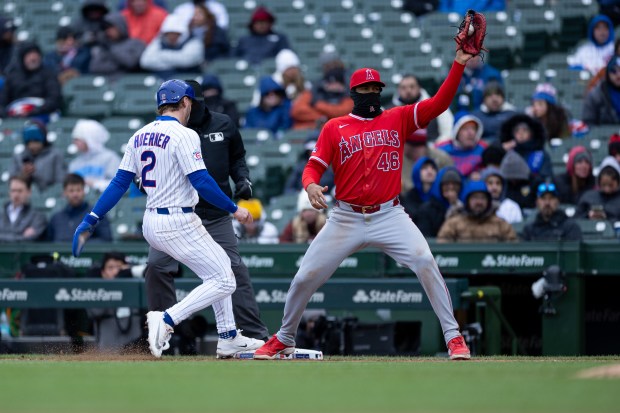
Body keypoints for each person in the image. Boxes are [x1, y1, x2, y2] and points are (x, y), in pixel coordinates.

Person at [253, 44, 478, 360]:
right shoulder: (335, 127)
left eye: (376, 87)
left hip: (389, 214)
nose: (371, 92)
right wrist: (311, 185)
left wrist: (457, 64)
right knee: (305, 275)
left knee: (425, 260)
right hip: (346, 217)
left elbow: (440, 102)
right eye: (365, 88)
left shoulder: (397, 118)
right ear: (354, 92)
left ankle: (454, 337)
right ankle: (285, 337)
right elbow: (313, 166)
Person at [72, 79, 264, 358]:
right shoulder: (185, 134)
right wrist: (234, 209)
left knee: (220, 269)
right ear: (185, 102)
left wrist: (90, 219)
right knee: (225, 280)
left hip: (152, 221)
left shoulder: (139, 135)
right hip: (177, 220)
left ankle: (228, 337)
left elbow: (118, 184)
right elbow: (202, 181)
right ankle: (166, 319)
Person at [144, 79, 269, 344]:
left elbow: (237, 157)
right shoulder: (169, 130)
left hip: (214, 213)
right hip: (177, 215)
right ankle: (166, 332)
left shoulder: (223, 124)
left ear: (195, 102)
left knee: (233, 270)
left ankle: (252, 335)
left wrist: (242, 179)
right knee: (156, 266)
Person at [87, 251, 144, 353]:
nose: (115, 272)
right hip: (107, 349)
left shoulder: (136, 289)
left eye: (119, 267)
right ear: (103, 273)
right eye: (110, 268)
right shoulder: (97, 292)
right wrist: (112, 290)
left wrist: (128, 278)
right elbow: (96, 312)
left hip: (135, 350)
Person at [437, 180, 517, 243]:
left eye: (482, 198)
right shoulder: (454, 223)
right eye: (475, 198)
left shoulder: (500, 223)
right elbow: (443, 243)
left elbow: (512, 245)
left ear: (488, 201)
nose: (479, 202)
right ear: (467, 201)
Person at [0, 42, 62, 121]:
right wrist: (7, 115)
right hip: (15, 114)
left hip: (41, 114)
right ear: (22, 58)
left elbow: (54, 99)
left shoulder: (48, 75)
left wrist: (32, 111)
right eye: (29, 55)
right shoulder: (12, 76)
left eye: (35, 55)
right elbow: (2, 102)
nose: (33, 58)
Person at [47, 173, 112, 242]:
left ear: (84, 191)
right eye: (71, 191)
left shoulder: (96, 215)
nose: (75, 194)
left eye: (78, 190)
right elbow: (49, 244)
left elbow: (106, 240)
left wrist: (81, 243)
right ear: (65, 193)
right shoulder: (56, 218)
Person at [389, 74, 453, 141]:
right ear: (398, 90)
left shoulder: (436, 105)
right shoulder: (389, 111)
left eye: (412, 86)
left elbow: (448, 132)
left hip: (432, 146)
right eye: (403, 87)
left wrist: (436, 145)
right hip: (400, 149)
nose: (408, 91)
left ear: (419, 87)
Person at [140, 14, 204, 79]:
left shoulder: (194, 42)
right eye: (169, 33)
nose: (172, 37)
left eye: (176, 33)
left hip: (187, 82)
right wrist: (176, 63)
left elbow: (187, 60)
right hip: (161, 84)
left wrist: (161, 56)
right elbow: (145, 61)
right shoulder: (159, 41)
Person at [10, 120, 66, 192]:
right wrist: (23, 176)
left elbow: (60, 181)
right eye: (29, 142)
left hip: (48, 194)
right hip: (23, 198)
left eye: (36, 141)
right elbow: (11, 183)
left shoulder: (55, 155)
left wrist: (36, 175)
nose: (33, 145)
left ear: (43, 140)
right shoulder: (19, 156)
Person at [68, 119, 121, 193]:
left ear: (90, 139)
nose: (74, 142)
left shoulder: (110, 158)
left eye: (78, 139)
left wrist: (95, 184)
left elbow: (119, 185)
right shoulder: (74, 163)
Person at [88, 12, 146, 77]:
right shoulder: (104, 46)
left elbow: (131, 63)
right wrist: (120, 67)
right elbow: (94, 68)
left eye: (111, 27)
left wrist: (111, 48)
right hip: (107, 84)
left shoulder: (136, 44)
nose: (108, 31)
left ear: (120, 25)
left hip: (129, 84)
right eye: (105, 28)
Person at [498, 113, 553, 179]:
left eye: (525, 130)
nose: (521, 133)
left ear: (531, 134)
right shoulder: (506, 151)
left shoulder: (541, 155)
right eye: (517, 130)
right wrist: (500, 149)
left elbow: (546, 176)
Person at [399, 128, 453, 194]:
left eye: (417, 145)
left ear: (424, 145)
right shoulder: (396, 161)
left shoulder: (442, 159)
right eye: (408, 143)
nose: (412, 149)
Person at [435, 113, 488, 180]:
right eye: (465, 129)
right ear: (456, 132)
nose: (470, 133)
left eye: (473, 128)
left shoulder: (484, 148)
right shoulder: (441, 149)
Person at [415, 165, 463, 237]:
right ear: (439, 186)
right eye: (446, 184)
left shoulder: (465, 207)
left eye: (455, 184)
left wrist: (455, 206)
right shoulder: (427, 209)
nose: (451, 187)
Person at [0, 175, 47, 242]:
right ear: (9, 192)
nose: (16, 195)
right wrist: (21, 235)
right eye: (13, 191)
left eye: (20, 191)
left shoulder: (37, 217)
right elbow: (24, 239)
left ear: (29, 192)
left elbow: (31, 240)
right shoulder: (1, 214)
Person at [575, 156, 620, 222]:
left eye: (611, 185)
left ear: (618, 182)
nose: (607, 189)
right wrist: (588, 216)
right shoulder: (588, 196)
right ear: (599, 182)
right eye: (604, 185)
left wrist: (607, 218)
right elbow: (575, 220)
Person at [582, 56, 620, 126]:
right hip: (603, 136)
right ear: (607, 73)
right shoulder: (596, 95)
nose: (618, 75)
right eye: (613, 71)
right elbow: (588, 122)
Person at [401, 156, 438, 223]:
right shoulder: (410, 197)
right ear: (417, 172)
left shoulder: (440, 196)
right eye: (424, 168)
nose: (430, 171)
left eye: (433, 168)